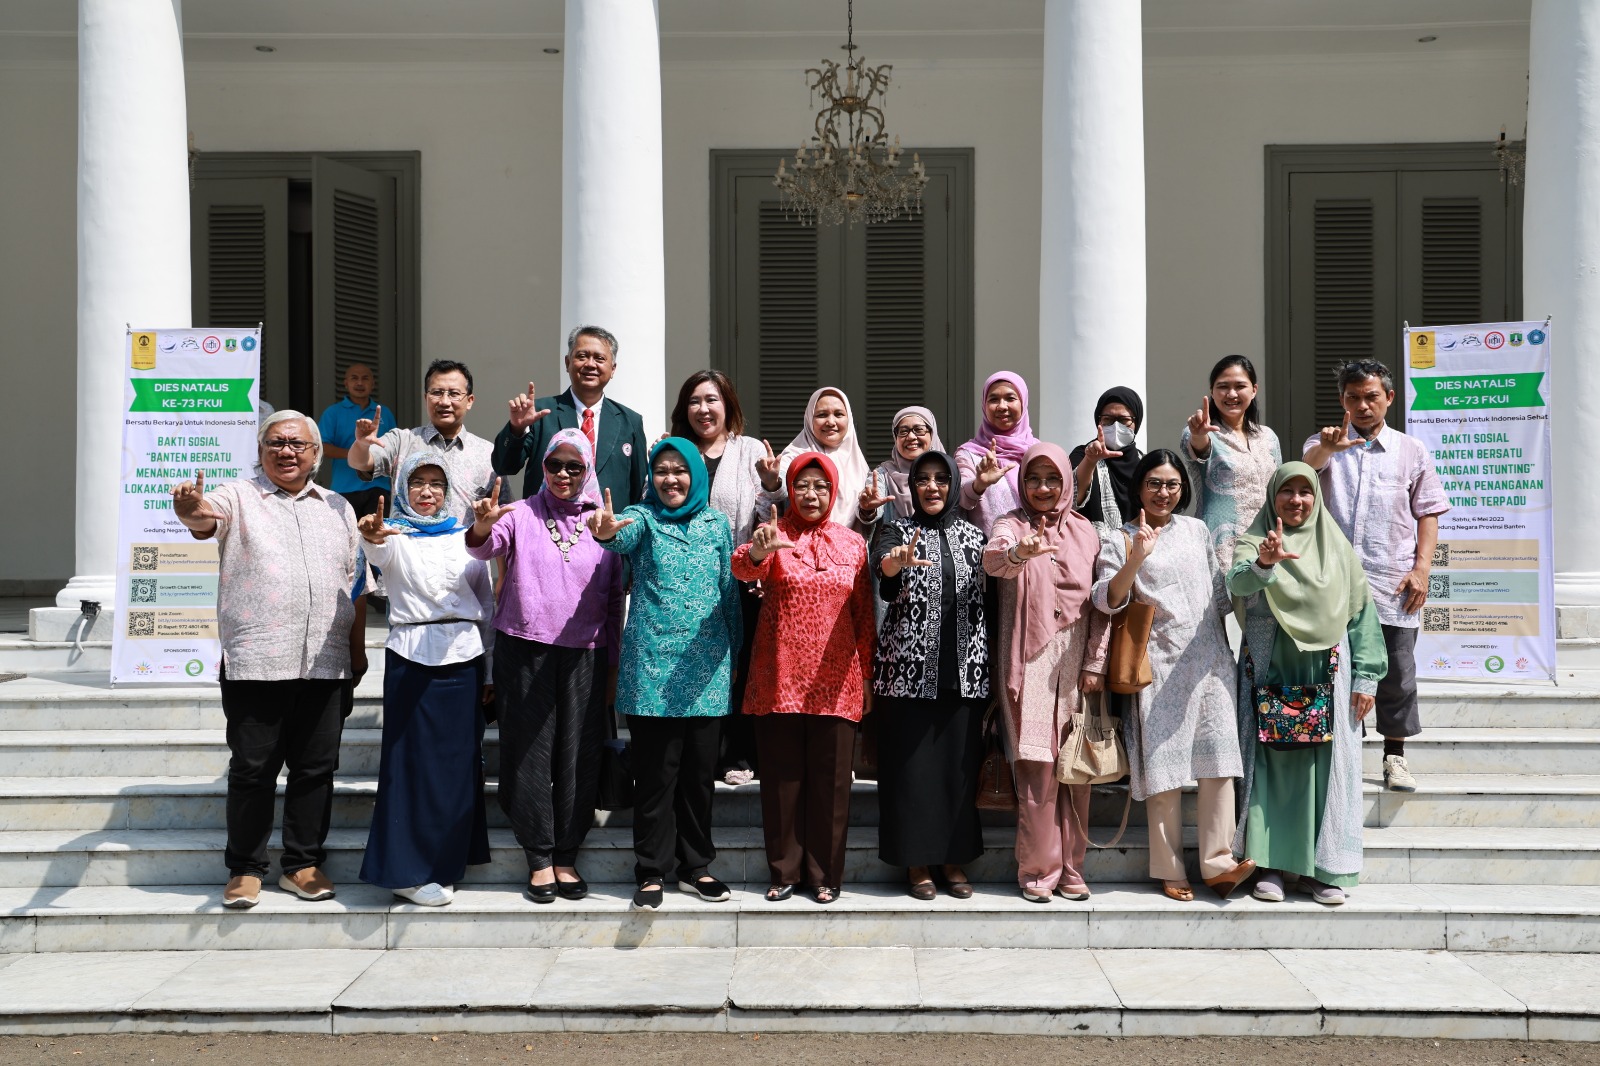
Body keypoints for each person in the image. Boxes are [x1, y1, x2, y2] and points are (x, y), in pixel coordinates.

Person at [170, 411, 367, 909]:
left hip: (326, 661)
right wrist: (190, 508)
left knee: (315, 769)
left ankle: (302, 864)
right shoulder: (238, 496)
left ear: (316, 455)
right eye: (276, 443)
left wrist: (358, 649)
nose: (287, 452)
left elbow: (355, 584)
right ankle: (244, 869)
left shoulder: (338, 507)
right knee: (253, 768)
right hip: (257, 659)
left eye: (298, 445)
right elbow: (202, 518)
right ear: (260, 450)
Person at [467, 430, 626, 903]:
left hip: (587, 653)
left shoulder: (605, 524)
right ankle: (538, 856)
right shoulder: (520, 514)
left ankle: (566, 855)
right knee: (529, 751)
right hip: (524, 647)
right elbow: (482, 548)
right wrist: (479, 525)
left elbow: (616, 596)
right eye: (555, 465)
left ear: (588, 470)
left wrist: (614, 664)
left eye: (574, 467)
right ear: (543, 467)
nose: (562, 474)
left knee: (579, 753)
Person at [1092, 449, 1252, 902]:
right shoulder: (1118, 537)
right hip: (1158, 664)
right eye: (1155, 484)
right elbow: (1107, 599)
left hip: (1210, 660)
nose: (1164, 492)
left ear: (1183, 489)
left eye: (1173, 484)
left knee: (1219, 765)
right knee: (1164, 771)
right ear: (1139, 487)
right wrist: (1136, 557)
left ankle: (1218, 863)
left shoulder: (1197, 529)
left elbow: (1220, 594)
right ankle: (1168, 867)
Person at [590, 438, 743, 910]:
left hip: (707, 671)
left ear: (696, 474)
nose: (671, 479)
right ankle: (651, 871)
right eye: (662, 470)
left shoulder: (718, 524)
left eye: (680, 470)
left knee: (698, 778)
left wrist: (734, 658)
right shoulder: (643, 518)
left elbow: (728, 591)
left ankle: (696, 867)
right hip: (653, 669)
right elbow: (619, 535)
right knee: (656, 778)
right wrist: (604, 531)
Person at [1228, 462, 1388, 905]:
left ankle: (1323, 870)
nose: (1296, 500)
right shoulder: (1253, 541)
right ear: (1272, 496)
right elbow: (1236, 584)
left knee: (1327, 768)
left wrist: (1368, 677)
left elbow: (1362, 614)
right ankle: (1269, 863)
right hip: (1270, 666)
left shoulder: (1337, 549)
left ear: (1316, 499)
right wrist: (1264, 562)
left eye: (1305, 492)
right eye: (1287, 491)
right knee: (1272, 764)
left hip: (1328, 670)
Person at [734, 453, 876, 904]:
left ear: (833, 492)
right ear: (789, 490)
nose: (811, 495)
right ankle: (784, 871)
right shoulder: (774, 534)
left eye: (820, 486)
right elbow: (742, 568)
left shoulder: (853, 544)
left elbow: (863, 616)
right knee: (781, 781)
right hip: (779, 675)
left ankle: (825, 876)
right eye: (802, 486)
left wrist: (867, 676)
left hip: (837, 679)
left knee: (832, 784)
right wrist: (758, 550)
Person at [1303, 360, 1449, 794]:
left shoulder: (1411, 451)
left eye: (1371, 396)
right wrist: (1328, 450)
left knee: (1396, 672)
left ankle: (1395, 757)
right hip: (1333, 583)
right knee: (1335, 669)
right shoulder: (1325, 442)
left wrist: (1422, 569)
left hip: (1393, 583)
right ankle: (1344, 754)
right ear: (1341, 400)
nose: (1362, 405)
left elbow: (1427, 514)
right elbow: (1303, 473)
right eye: (1353, 397)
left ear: (1389, 398)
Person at [355, 455, 493, 907]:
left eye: (436, 483)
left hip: (464, 656)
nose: (427, 492)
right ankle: (406, 870)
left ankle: (445, 863)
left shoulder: (466, 536)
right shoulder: (395, 534)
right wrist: (372, 536)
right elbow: (377, 549)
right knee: (408, 765)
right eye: (418, 483)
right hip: (411, 657)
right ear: (404, 489)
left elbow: (486, 607)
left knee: (457, 764)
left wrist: (490, 668)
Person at [982, 443, 1108, 903]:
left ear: (1066, 483)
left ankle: (1073, 869)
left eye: (1052, 479)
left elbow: (1101, 605)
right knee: (1036, 772)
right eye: (1033, 479)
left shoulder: (1085, 531)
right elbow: (993, 562)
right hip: (1028, 664)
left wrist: (1095, 662)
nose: (1042, 488)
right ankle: (1038, 872)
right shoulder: (1009, 525)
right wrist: (1021, 553)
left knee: (1074, 770)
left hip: (1074, 664)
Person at [870, 451, 988, 900]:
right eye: (924, 479)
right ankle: (916, 862)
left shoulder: (976, 538)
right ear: (912, 486)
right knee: (911, 774)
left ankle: (952, 859)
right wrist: (895, 564)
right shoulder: (893, 531)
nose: (933, 487)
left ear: (954, 483)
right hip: (906, 676)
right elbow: (885, 575)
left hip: (964, 673)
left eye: (942, 479)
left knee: (955, 772)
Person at [670, 370, 785, 786]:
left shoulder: (750, 450)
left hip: (743, 575)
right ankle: (696, 752)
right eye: (695, 400)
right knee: (695, 666)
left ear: (728, 405)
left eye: (712, 400)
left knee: (740, 666)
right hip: (686, 581)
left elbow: (770, 514)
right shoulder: (676, 450)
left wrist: (773, 484)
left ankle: (737, 752)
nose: (704, 409)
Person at [491, 325, 650, 506]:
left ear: (612, 369)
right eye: (582, 356)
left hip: (608, 530)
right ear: (567, 363)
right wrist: (516, 429)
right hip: (547, 528)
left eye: (599, 358)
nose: (590, 364)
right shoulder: (540, 413)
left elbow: (638, 491)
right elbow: (503, 466)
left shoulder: (630, 421)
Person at [347, 359, 497, 523]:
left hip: (463, 548)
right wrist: (361, 445)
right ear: (426, 397)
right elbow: (359, 463)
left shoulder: (487, 453)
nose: (444, 401)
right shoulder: (402, 441)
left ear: (469, 401)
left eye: (454, 394)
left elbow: (503, 510)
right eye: (437, 393)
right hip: (407, 546)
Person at [1179, 355, 1283, 571]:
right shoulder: (1201, 432)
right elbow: (1199, 448)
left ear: (1254, 390)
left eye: (1240, 386)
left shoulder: (1268, 437)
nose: (1232, 394)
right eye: (1223, 387)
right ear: (1212, 391)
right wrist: (1198, 435)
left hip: (1265, 542)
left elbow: (1280, 489)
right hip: (1221, 546)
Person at [956, 372, 1040, 536]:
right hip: (989, 553)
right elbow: (958, 497)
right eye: (993, 399)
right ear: (984, 406)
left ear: (1023, 403)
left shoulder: (1038, 451)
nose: (1002, 406)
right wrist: (978, 484)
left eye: (1010, 398)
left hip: (1035, 552)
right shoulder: (969, 454)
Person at [776, 387, 871, 528]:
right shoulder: (794, 455)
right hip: (803, 544)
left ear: (849, 419)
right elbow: (780, 489)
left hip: (851, 546)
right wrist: (773, 483)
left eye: (838, 414)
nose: (831, 422)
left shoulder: (858, 461)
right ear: (809, 419)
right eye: (822, 415)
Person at [318, 363, 396, 522]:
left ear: (373, 384)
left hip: (378, 487)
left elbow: (394, 448)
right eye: (354, 378)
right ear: (346, 383)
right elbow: (322, 447)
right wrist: (359, 453)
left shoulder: (384, 413)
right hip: (343, 488)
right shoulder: (333, 413)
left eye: (365, 378)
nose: (359, 383)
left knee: (375, 540)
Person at [857, 406, 945, 528]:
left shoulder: (948, 473)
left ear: (932, 434)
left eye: (919, 430)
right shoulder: (882, 475)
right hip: (895, 545)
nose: (911, 437)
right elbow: (872, 502)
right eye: (903, 431)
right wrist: (868, 510)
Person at [1070, 387, 1145, 528]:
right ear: (1098, 422)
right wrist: (1090, 461)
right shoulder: (1083, 455)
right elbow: (1071, 499)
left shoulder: (1145, 463)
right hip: (1094, 547)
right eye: (1107, 419)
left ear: (1137, 422)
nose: (1116, 426)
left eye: (1124, 420)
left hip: (1142, 545)